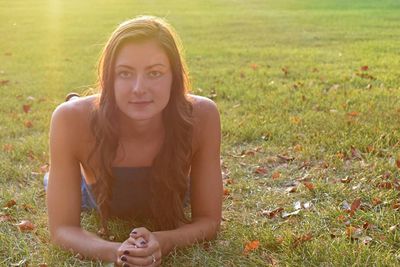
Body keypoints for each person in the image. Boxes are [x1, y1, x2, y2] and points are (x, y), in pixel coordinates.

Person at [46, 15, 223, 266]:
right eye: (125, 73)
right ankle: (77, 100)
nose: (139, 88)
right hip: (92, 189)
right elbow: (62, 229)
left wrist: (164, 241)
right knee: (61, 158)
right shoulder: (68, 122)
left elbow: (209, 221)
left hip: (172, 188)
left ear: (175, 78)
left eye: (155, 73)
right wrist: (116, 252)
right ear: (109, 78)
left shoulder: (202, 116)